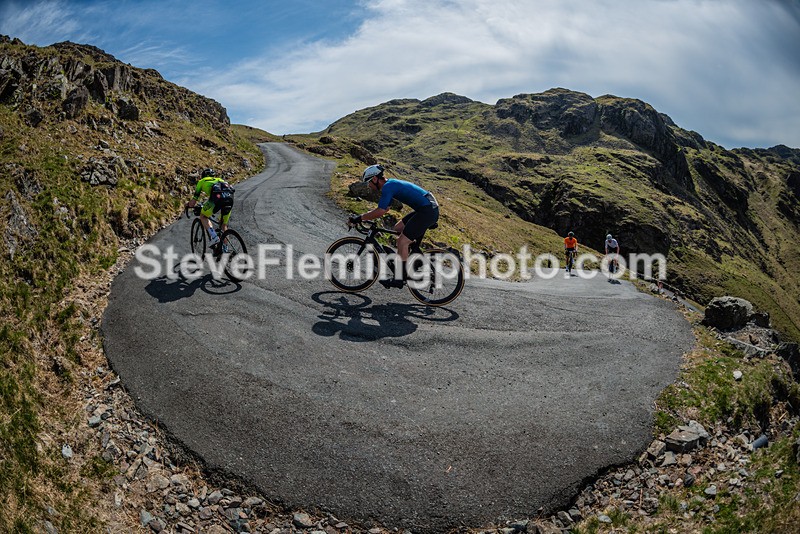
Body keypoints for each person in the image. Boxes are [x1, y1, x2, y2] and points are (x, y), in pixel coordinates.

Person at [349, 164, 439, 288]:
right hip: (426, 208)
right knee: (397, 229)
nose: (368, 186)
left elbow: (380, 211)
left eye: (368, 182)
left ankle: (400, 278)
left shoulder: (388, 187)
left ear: (375, 179)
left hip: (427, 211)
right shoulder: (390, 185)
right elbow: (385, 209)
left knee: (402, 241)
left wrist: (359, 218)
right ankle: (412, 260)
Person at [185, 168, 234, 247]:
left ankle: (214, 237)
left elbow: (193, 202)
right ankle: (225, 248)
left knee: (203, 216)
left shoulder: (201, 181)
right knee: (223, 225)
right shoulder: (220, 179)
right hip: (230, 199)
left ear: (203, 176)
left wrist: (187, 205)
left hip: (217, 199)